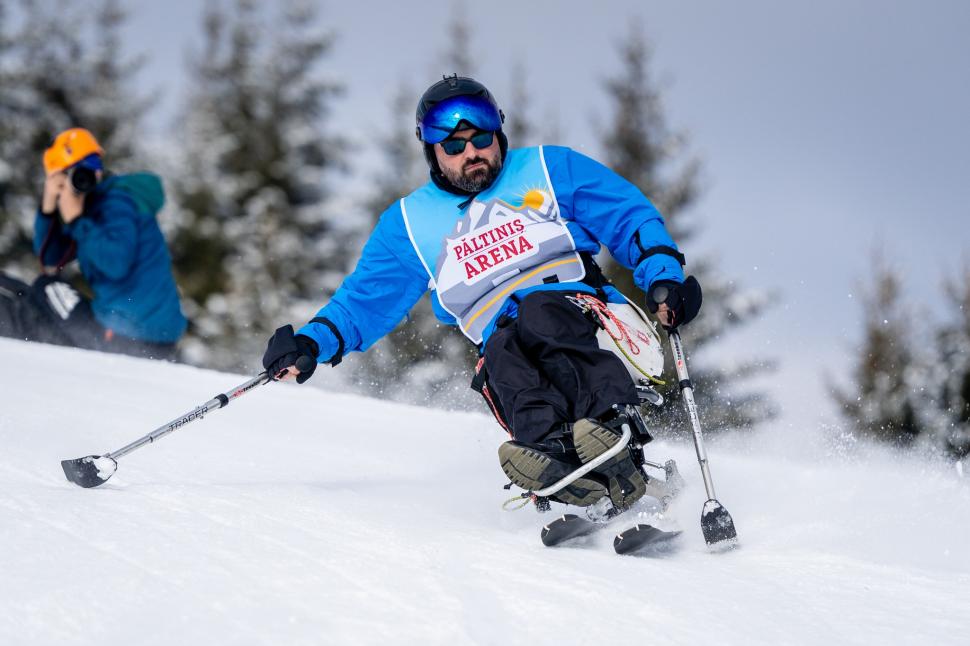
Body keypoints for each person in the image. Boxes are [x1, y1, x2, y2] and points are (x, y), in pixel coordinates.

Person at [262, 75, 702, 512]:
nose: (472, 153)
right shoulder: (409, 225)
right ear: (432, 152)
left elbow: (628, 216)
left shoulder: (550, 168)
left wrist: (664, 278)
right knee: (501, 351)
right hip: (513, 346)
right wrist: (309, 344)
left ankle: (610, 428)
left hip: (596, 326)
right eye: (454, 147)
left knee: (537, 312)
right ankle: (556, 460)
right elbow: (363, 302)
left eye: (482, 139)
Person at [0, 127, 187, 360]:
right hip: (148, 335)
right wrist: (49, 207)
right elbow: (51, 260)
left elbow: (115, 263)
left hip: (131, 336)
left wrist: (77, 220)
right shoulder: (96, 206)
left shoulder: (116, 202)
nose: (88, 177)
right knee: (40, 293)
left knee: (44, 292)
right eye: (75, 173)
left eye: (92, 167)